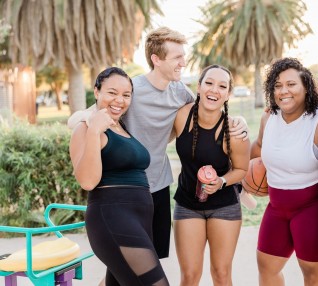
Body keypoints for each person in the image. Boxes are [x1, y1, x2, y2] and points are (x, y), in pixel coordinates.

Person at [67, 27, 249, 262]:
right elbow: (80, 118)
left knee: (147, 262)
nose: (183, 63)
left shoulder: (181, 93)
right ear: (156, 59)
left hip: (159, 187)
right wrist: (83, 121)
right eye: (177, 57)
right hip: (127, 187)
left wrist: (240, 121)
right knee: (130, 266)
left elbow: (209, 110)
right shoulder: (130, 90)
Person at [69, 67, 169, 286]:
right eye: (112, 92)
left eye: (126, 95)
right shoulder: (85, 128)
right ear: (96, 92)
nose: (119, 100)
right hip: (113, 218)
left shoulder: (121, 126)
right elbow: (87, 181)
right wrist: (94, 131)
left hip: (139, 220)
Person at [251, 58, 318, 286]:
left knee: (312, 275)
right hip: (276, 208)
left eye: (291, 84)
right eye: (277, 85)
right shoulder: (268, 118)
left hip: (311, 208)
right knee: (266, 269)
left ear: (306, 87)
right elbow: (257, 150)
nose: (284, 91)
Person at [172, 64, 250, 285]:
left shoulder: (234, 131)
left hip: (224, 206)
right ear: (198, 87)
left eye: (222, 86)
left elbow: (242, 170)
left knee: (221, 274)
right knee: (189, 276)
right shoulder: (182, 116)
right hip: (187, 204)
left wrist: (222, 181)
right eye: (209, 83)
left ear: (228, 94)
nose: (214, 90)